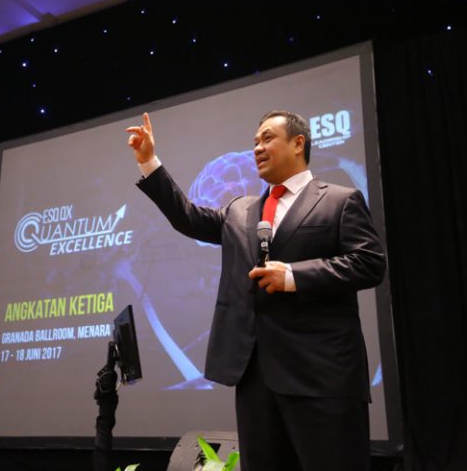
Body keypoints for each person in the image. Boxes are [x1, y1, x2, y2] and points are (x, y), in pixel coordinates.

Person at [125, 111, 386, 471]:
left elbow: (369, 263)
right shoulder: (240, 209)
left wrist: (293, 276)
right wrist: (149, 161)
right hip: (255, 378)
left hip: (322, 377)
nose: (258, 148)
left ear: (298, 143)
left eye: (267, 138)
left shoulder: (340, 201)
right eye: (255, 142)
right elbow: (187, 216)